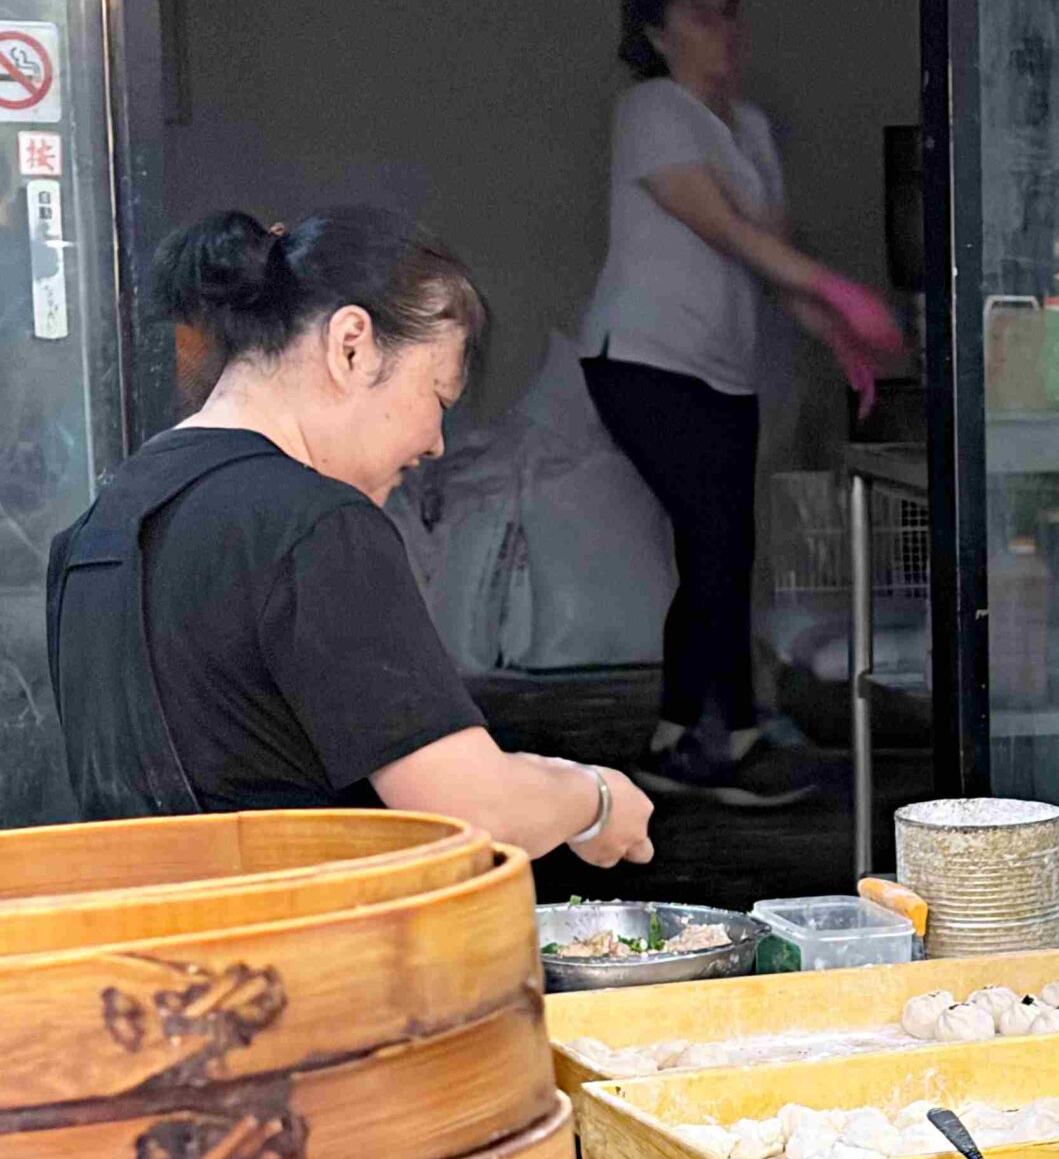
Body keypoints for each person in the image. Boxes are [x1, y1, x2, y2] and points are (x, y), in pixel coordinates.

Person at [45, 207, 655, 866]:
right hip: (297, 959)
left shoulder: (92, 533)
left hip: (145, 960)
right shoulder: (315, 524)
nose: (436, 442)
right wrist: (595, 798)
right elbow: (479, 812)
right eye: (440, 397)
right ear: (352, 346)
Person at [581, 0, 904, 805]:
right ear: (656, 31)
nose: (724, 29)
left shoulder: (749, 127)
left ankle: (681, 731)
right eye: (701, 13)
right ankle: (725, 740)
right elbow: (722, 229)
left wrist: (839, 339)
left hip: (720, 370)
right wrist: (846, 292)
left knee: (719, 548)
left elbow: (770, 259)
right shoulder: (651, 110)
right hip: (640, 359)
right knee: (716, 539)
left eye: (731, 13)